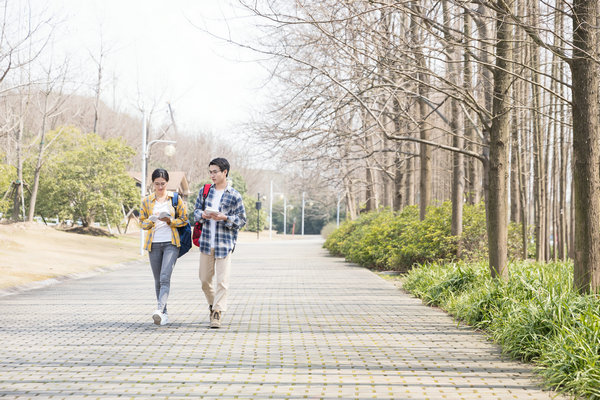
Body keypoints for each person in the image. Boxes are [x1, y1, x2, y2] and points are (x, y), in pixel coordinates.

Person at [193, 158, 246, 328]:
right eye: (210, 172)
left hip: (224, 243)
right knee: (204, 280)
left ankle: (217, 312)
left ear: (225, 172)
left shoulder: (234, 195)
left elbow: (242, 220)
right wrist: (203, 215)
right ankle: (213, 304)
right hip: (206, 242)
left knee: (223, 281)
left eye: (215, 171)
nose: (212, 175)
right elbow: (194, 213)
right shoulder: (205, 191)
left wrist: (225, 218)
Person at [140, 168, 189, 326]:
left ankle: (159, 310)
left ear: (167, 183)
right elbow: (142, 223)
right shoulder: (147, 201)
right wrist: (151, 221)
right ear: (152, 184)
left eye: (163, 184)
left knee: (164, 278)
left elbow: (184, 219)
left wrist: (170, 222)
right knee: (157, 280)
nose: (160, 187)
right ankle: (164, 314)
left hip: (171, 243)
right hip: (153, 244)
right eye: (157, 184)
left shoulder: (175, 199)